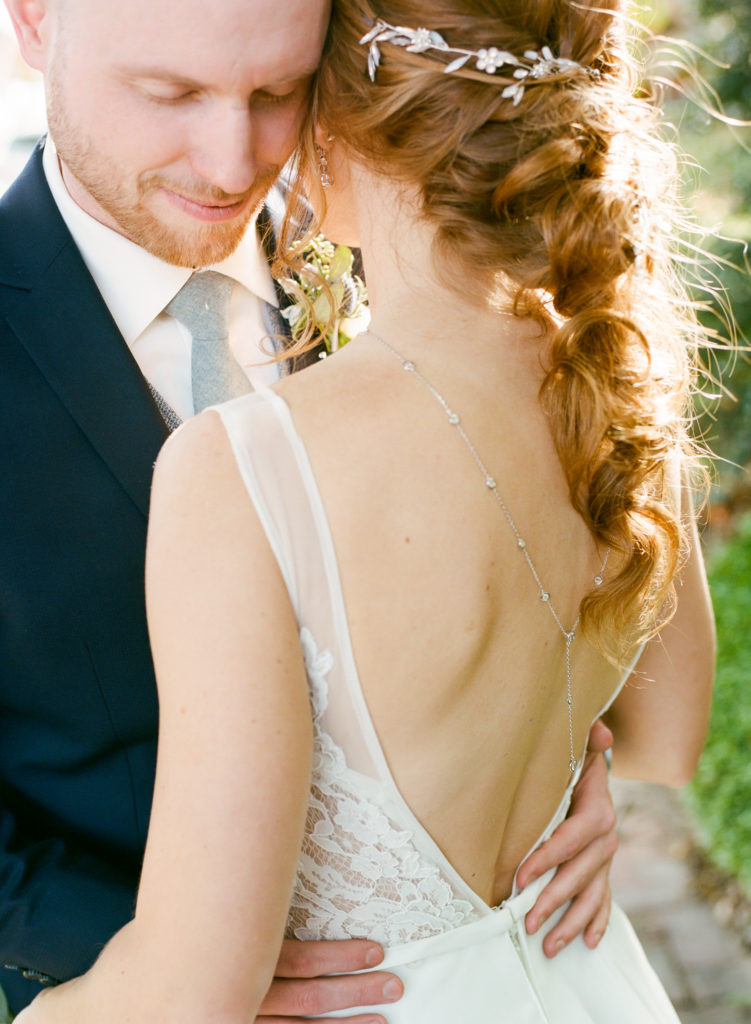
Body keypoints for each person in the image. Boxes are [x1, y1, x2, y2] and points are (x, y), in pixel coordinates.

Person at [11, 0, 716, 1021]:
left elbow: (190, 983)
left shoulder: (266, 428)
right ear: (33, 22)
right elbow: (668, 728)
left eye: (277, 95)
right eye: (170, 94)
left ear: (335, 106)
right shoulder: (603, 362)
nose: (231, 160)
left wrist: (563, 773)